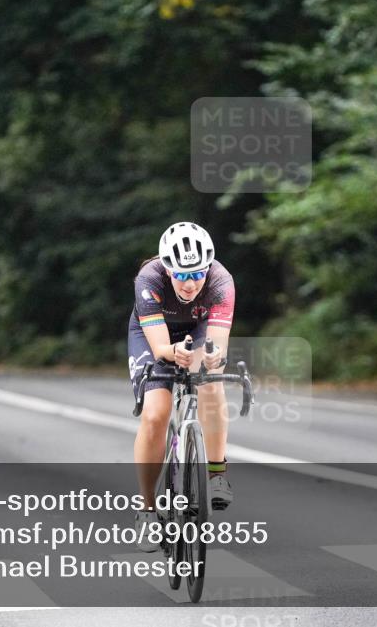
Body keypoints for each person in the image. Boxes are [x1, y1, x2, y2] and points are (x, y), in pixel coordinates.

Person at [128, 222, 235, 552]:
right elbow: (161, 348)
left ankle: (216, 473)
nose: (190, 284)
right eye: (182, 275)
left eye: (198, 274)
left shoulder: (221, 281)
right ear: (167, 268)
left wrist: (212, 358)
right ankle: (147, 509)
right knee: (155, 414)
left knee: (211, 383)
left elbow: (217, 345)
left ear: (208, 268)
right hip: (154, 335)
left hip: (199, 330)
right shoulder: (149, 278)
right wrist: (172, 352)